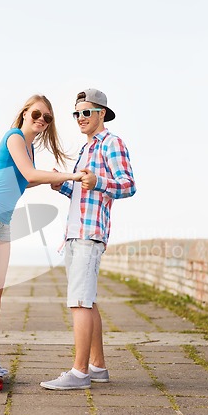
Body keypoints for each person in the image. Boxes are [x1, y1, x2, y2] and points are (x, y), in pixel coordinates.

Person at [0, 94, 84, 377]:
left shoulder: (28, 148)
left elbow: (25, 179)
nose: (41, 120)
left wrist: (52, 177)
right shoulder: (15, 137)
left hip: (2, 219)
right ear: (24, 114)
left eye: (47, 118)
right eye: (36, 114)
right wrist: (71, 176)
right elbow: (29, 173)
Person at [40, 88, 136, 390]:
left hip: (89, 233)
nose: (80, 118)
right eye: (76, 113)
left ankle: (79, 373)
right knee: (87, 301)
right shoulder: (86, 148)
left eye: (86, 112)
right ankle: (97, 367)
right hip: (73, 233)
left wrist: (98, 181)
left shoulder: (112, 143)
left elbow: (128, 185)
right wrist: (62, 185)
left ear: (102, 114)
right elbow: (83, 192)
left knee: (79, 302)